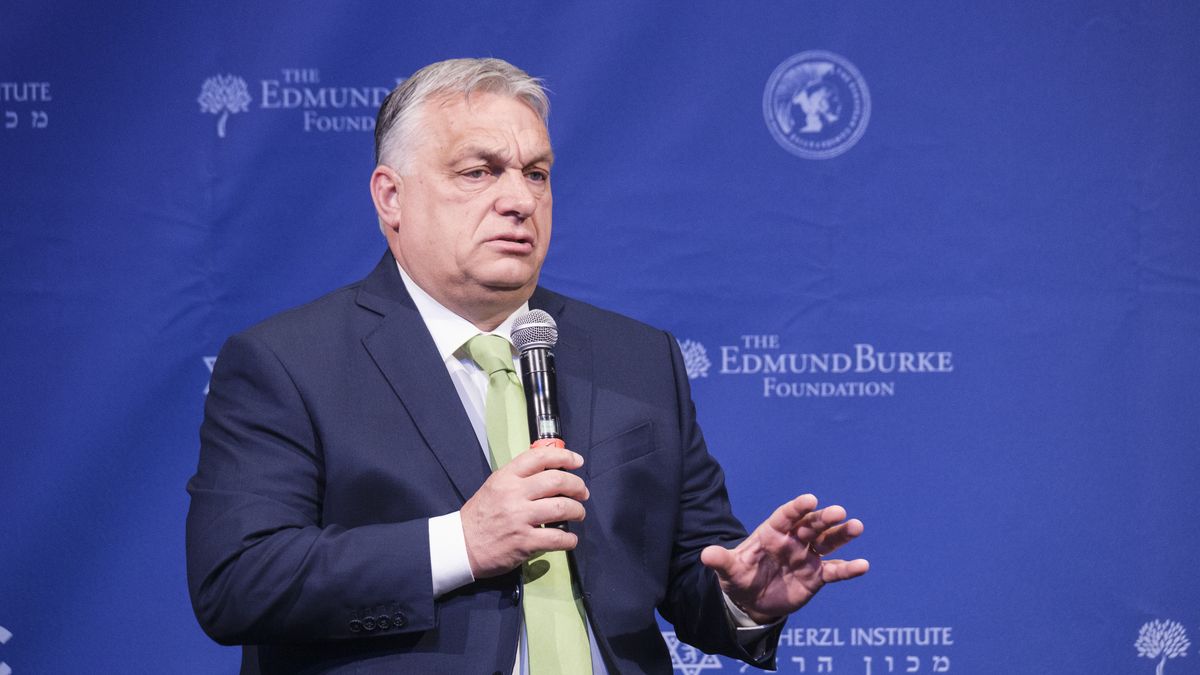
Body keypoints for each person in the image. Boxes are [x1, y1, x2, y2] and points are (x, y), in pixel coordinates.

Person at [186, 57, 868, 674]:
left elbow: (690, 572)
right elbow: (239, 580)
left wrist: (740, 596)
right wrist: (462, 541)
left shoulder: (637, 356)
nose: (519, 199)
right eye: (478, 171)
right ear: (391, 197)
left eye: (536, 173)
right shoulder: (286, 362)